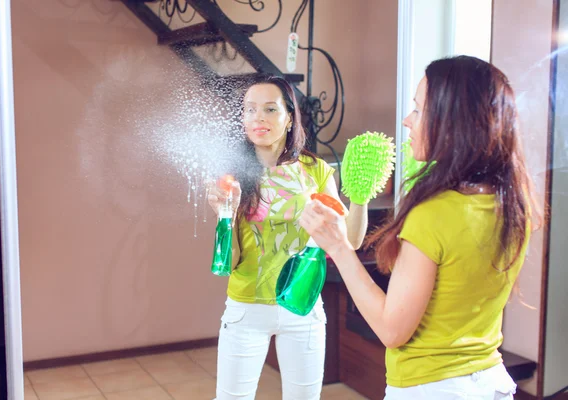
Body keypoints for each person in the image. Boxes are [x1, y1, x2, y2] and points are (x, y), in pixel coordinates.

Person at [300, 55, 539, 399]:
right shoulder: (514, 204)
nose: (407, 120)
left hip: (432, 389)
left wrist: (338, 246)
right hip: (491, 383)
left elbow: (391, 330)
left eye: (418, 109)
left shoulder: (434, 214)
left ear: (452, 122)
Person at [207, 74, 368, 400]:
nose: (258, 118)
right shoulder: (233, 175)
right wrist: (226, 215)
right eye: (250, 110)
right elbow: (228, 264)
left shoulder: (316, 170)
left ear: (290, 117)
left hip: (303, 306)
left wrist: (361, 197)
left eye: (269, 109)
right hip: (246, 309)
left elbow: (348, 243)